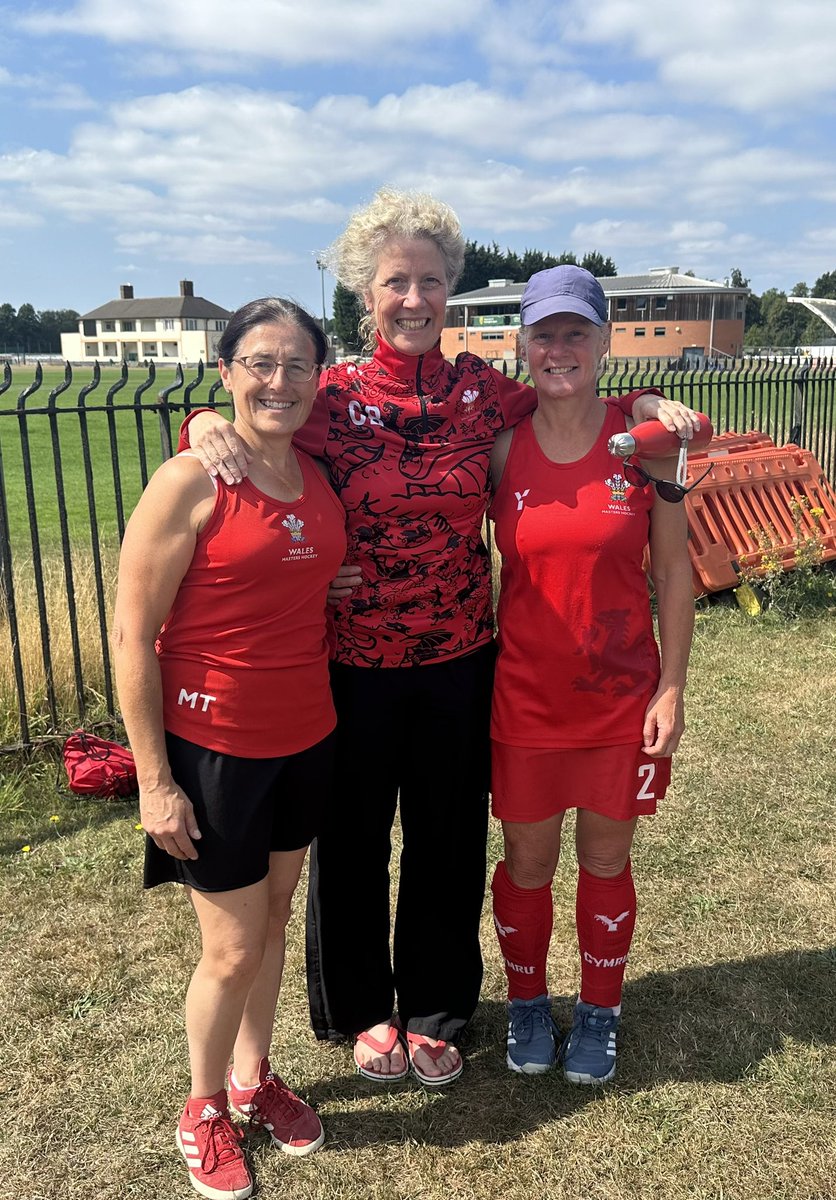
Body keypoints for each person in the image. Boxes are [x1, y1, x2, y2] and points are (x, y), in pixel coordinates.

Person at [179, 189, 700, 1086]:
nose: (413, 299)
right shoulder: (330, 395)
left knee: (447, 841)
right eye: (394, 283)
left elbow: (572, 396)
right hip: (348, 660)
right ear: (365, 294)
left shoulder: (481, 393)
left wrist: (651, 394)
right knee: (350, 843)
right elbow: (253, 431)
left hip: (462, 658)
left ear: (451, 290)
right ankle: (360, 1008)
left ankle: (434, 1008)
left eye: (429, 281)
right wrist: (201, 422)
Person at [112, 298, 346, 1200]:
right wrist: (155, 782)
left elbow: (298, 570)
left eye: (295, 364)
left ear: (317, 378)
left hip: (307, 736)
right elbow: (134, 635)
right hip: (215, 748)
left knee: (275, 920)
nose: (277, 381)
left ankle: (253, 1079)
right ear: (226, 371)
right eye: (259, 362)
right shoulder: (192, 480)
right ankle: (202, 1107)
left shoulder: (313, 474)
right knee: (231, 948)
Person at [488, 265, 695, 1083]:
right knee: (528, 865)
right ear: (524, 346)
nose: (560, 348)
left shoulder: (646, 444)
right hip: (526, 702)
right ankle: (530, 1003)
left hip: (620, 703)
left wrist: (672, 686)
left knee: (607, 862)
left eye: (578, 332)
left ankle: (600, 1012)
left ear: (606, 342)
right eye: (545, 333)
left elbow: (675, 574)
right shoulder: (504, 445)